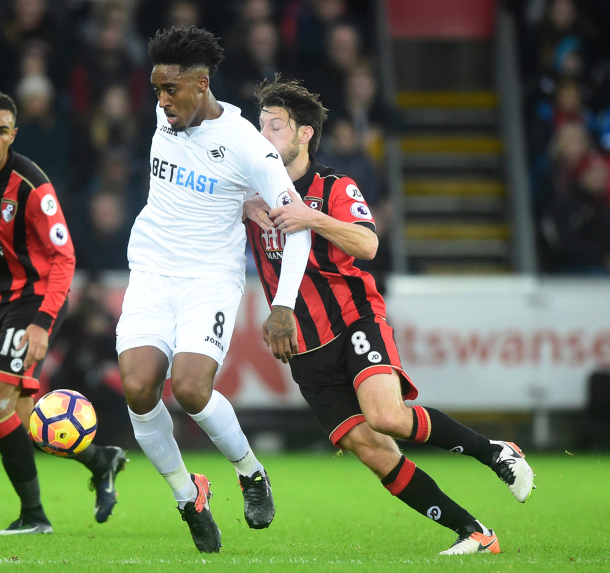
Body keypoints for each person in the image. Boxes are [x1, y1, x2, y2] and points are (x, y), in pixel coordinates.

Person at [243, 77, 536, 556]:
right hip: (303, 346)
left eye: (275, 126)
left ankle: (495, 452)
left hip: (352, 320)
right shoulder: (249, 188)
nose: (263, 135)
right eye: (260, 125)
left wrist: (311, 217)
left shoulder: (334, 186)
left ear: (304, 134)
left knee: (386, 417)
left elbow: (368, 243)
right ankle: (475, 533)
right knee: (372, 451)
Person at [116, 27, 312, 554]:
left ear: (201, 85)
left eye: (171, 90)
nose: (161, 101)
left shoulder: (247, 146)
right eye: (156, 90)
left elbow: (300, 225)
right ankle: (188, 497)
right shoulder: (168, 115)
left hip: (209, 280)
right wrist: (243, 199)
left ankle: (250, 472)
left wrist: (283, 305)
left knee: (190, 388)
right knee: (137, 387)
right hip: (152, 271)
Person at [0, 90, 127, 535]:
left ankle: (34, 515)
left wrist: (42, 324)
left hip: (33, 301)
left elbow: (65, 258)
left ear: (13, 135)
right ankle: (100, 460)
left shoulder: (32, 187)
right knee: (27, 419)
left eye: (0, 131)